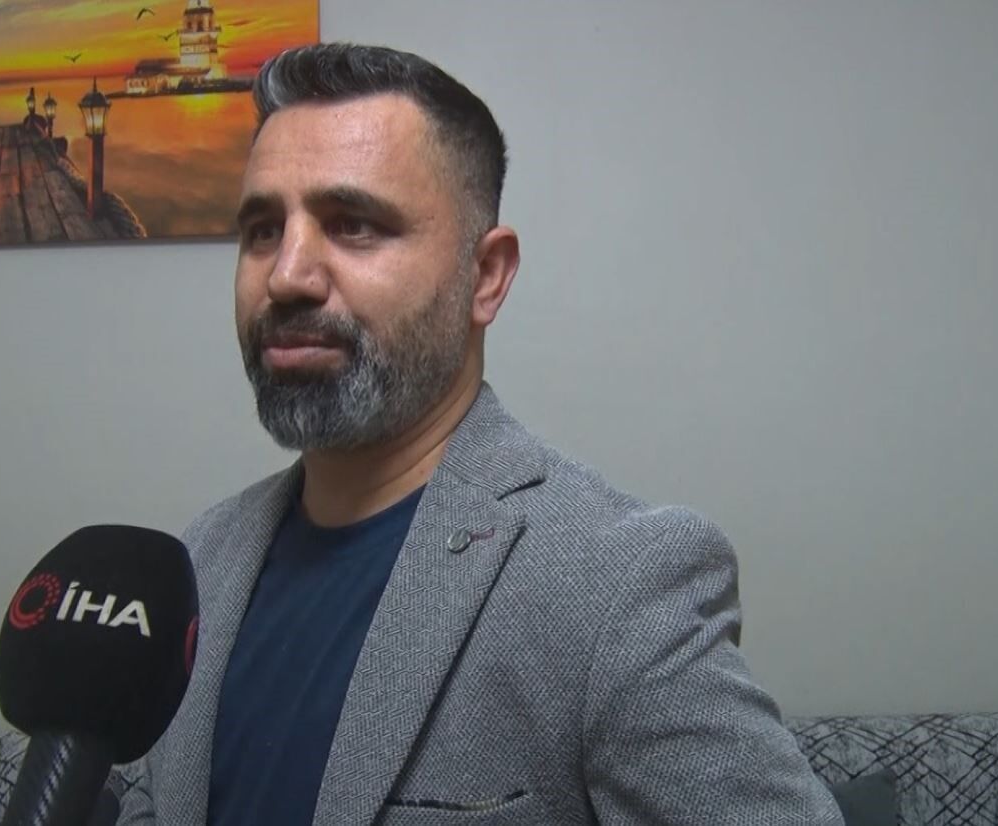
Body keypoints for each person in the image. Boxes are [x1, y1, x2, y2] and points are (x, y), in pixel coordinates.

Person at [117, 43, 844, 825]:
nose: (286, 275)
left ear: (486, 276)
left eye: (353, 225)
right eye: (263, 230)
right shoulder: (199, 563)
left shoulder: (614, 585)